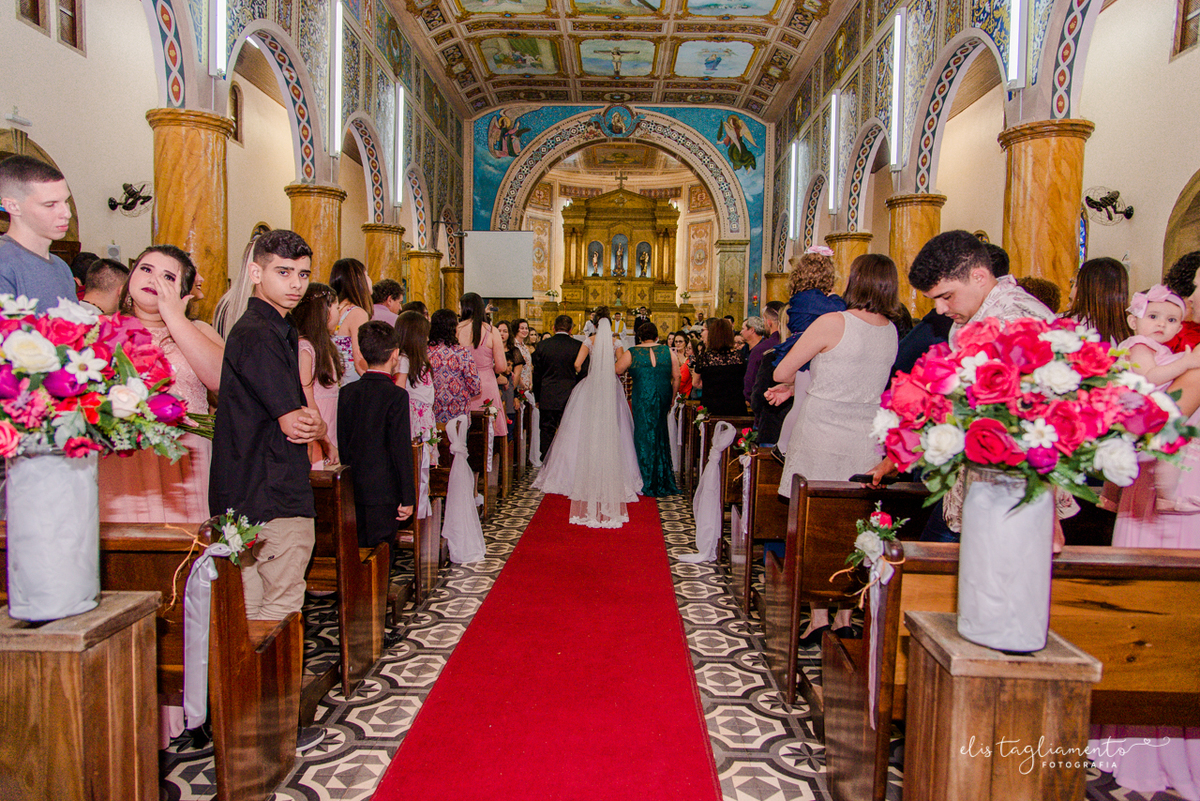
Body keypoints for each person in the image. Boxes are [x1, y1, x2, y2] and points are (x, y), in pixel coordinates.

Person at [207, 229, 327, 751]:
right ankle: (272, 713)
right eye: (284, 272)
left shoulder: (265, 328)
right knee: (278, 603)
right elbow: (297, 422)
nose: (296, 284)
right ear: (256, 272)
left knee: (253, 604)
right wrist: (314, 423)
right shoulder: (259, 332)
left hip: (247, 488)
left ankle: (250, 713)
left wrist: (309, 420)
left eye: (302, 274)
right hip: (271, 491)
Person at [867, 231, 1055, 541]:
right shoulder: (974, 315)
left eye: (946, 296)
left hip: (1010, 487)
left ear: (979, 276)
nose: (940, 309)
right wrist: (901, 452)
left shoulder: (1017, 320)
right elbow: (952, 403)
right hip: (973, 478)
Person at [766, 253, 901, 641]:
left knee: (813, 525)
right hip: (865, 438)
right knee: (852, 526)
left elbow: (781, 370)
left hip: (822, 433)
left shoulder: (832, 322)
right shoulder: (890, 330)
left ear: (853, 282)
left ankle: (818, 616)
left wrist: (792, 380)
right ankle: (845, 616)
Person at [100, 245, 225, 523]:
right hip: (122, 456)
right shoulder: (101, 329)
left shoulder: (199, 331)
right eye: (146, 270)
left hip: (185, 456)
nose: (153, 280)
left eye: (168, 277)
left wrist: (174, 317)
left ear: (185, 293)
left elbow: (221, 381)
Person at [534, 313, 642, 527]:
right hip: (610, 387)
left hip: (591, 385)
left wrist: (591, 370)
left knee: (585, 428)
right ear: (610, 324)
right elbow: (621, 365)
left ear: (593, 324)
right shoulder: (617, 341)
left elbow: (577, 364)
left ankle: (576, 474)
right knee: (612, 429)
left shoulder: (588, 341)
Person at [337, 321, 416, 548]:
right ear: (395, 355)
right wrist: (407, 497)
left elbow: (343, 442)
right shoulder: (396, 396)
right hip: (385, 491)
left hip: (354, 488)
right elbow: (400, 449)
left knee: (358, 550)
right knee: (382, 554)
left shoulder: (347, 393)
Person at [0, 155, 77, 309]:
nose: (67, 214)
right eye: (50, 204)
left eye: (66, 201)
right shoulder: (4, 264)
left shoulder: (62, 267)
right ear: (13, 207)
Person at [616, 320, 679, 497]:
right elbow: (677, 376)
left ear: (639, 338)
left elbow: (617, 369)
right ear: (657, 336)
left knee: (643, 434)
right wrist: (672, 398)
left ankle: (645, 478)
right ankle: (661, 476)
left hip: (642, 396)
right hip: (663, 395)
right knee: (660, 433)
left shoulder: (632, 352)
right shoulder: (668, 351)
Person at [292, 283, 343, 468]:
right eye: (336, 308)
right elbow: (307, 400)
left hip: (327, 429)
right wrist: (325, 441)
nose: (339, 313)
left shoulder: (325, 347)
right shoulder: (305, 348)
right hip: (316, 435)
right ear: (324, 311)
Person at [532, 314, 584, 460]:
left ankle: (546, 461)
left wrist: (537, 396)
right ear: (571, 329)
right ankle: (566, 462)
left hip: (547, 394)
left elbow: (537, 374)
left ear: (553, 328)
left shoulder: (543, 345)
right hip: (570, 395)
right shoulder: (578, 346)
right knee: (568, 430)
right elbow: (583, 373)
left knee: (547, 429)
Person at [458, 292, 508, 436]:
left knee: (464, 432)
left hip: (463, 384)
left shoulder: (457, 329)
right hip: (486, 384)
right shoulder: (491, 331)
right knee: (488, 432)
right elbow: (501, 366)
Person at [1063, 256, 1132, 346]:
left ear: (1084, 289)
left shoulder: (1072, 325)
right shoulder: (1128, 329)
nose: (1072, 287)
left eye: (1075, 282)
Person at [428, 308, 481, 424]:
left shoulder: (424, 352)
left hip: (432, 413)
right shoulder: (462, 353)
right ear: (453, 328)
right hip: (458, 413)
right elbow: (475, 386)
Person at [689, 317, 748, 416]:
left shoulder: (705, 358)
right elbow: (745, 379)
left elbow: (696, 383)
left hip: (712, 406)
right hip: (735, 406)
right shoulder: (739, 356)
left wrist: (712, 385)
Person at [395, 310, 436, 442]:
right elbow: (399, 390)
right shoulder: (404, 360)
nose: (427, 339)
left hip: (425, 413)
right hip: (414, 415)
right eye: (424, 335)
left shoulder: (419, 360)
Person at [330, 258, 373, 383]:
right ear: (359, 279)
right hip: (351, 382)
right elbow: (360, 359)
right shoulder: (357, 313)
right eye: (367, 275)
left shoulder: (334, 309)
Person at [741, 315, 774, 405]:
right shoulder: (743, 350)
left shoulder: (765, 350)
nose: (741, 332)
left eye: (743, 329)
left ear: (752, 330)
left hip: (760, 398)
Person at [513, 318, 534, 395]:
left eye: (526, 328)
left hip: (527, 385)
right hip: (518, 385)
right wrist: (522, 384)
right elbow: (514, 369)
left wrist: (530, 383)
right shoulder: (513, 345)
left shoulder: (525, 347)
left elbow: (529, 366)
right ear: (516, 330)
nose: (525, 330)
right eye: (522, 328)